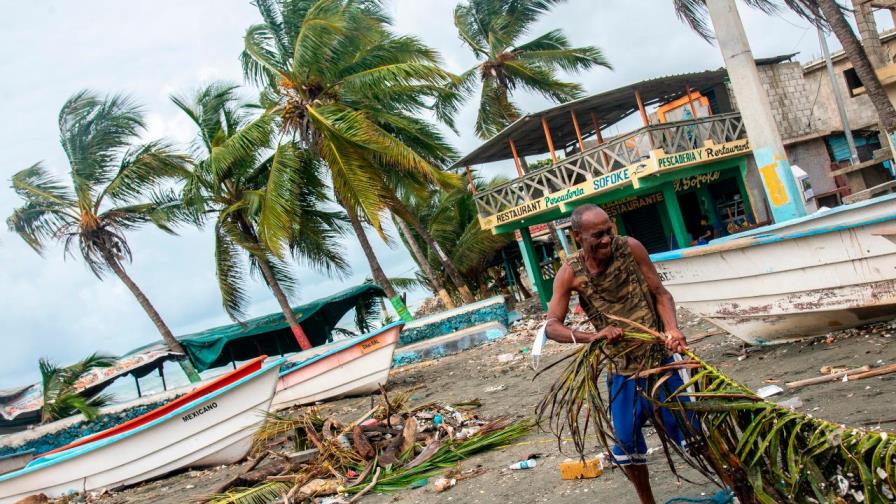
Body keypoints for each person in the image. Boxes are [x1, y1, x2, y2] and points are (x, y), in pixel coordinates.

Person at [544, 204, 691, 504]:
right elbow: (551, 327)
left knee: (691, 432)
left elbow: (661, 294)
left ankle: (735, 483)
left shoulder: (631, 248)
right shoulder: (570, 273)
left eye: (608, 231)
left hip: (659, 362)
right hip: (622, 370)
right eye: (597, 235)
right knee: (626, 444)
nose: (606, 240)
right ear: (577, 237)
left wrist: (672, 330)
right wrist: (592, 336)